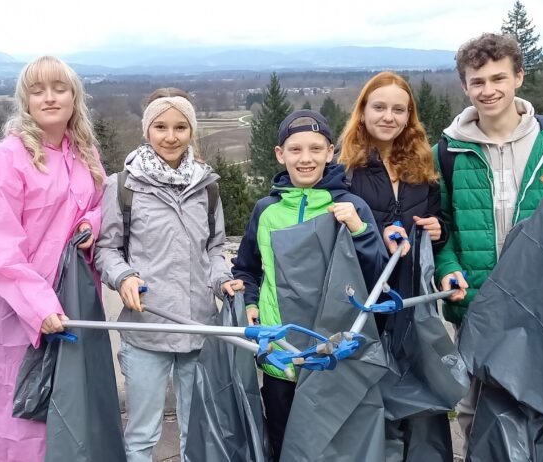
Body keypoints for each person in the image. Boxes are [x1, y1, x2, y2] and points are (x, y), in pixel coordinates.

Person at [434, 32, 543, 450]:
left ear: (519, 78)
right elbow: (443, 227)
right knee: (477, 414)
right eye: (478, 81)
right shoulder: (450, 151)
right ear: (465, 86)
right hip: (479, 304)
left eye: (498, 78)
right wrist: (447, 268)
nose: (488, 90)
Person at [0, 55, 104, 461]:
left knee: (73, 408)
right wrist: (39, 306)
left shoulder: (85, 152)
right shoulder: (5, 160)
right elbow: (0, 247)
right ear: (24, 100)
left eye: (59, 88)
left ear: (74, 97)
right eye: (37, 90)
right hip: (21, 312)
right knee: (22, 416)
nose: (49, 98)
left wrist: (93, 224)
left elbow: (99, 204)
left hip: (75, 300)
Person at [94, 87, 242, 461]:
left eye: (180, 127)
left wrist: (222, 280)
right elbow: (107, 248)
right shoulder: (122, 186)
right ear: (147, 130)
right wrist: (123, 276)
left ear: (192, 131)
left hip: (199, 329)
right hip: (147, 328)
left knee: (198, 433)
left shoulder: (207, 187)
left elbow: (214, 248)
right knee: (142, 435)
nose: (171, 136)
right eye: (161, 126)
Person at [231, 109, 388, 459]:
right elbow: (246, 267)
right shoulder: (266, 210)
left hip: (333, 350)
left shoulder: (350, 205)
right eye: (296, 149)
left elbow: (377, 275)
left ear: (331, 152)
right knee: (283, 438)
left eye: (316, 149)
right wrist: (251, 301)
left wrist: (359, 231)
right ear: (280, 154)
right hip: (280, 352)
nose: (306, 158)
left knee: (334, 443)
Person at [337, 71, 451, 459]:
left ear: (409, 117)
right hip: (364, 297)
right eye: (380, 107)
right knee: (366, 388)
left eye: (398, 109)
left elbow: (439, 222)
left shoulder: (422, 166)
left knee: (418, 389)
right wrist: (377, 229)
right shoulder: (344, 168)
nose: (389, 116)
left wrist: (439, 230)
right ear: (363, 112)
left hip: (413, 298)